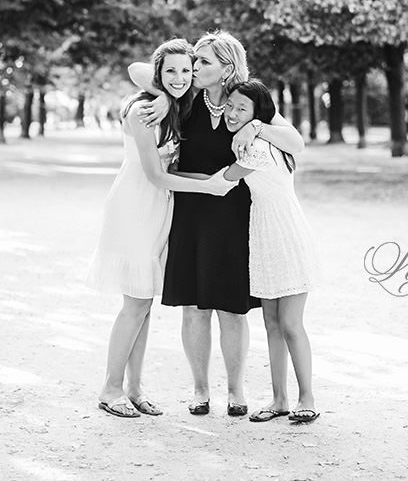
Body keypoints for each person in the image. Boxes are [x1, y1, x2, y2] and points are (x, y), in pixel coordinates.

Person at [130, 31, 304, 417]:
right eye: (194, 61)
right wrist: (160, 94)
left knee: (231, 308)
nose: (193, 68)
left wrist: (256, 127)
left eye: (203, 61)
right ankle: (199, 391)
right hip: (190, 210)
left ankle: (236, 391)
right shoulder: (185, 95)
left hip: (233, 213)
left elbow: (295, 142)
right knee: (193, 307)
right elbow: (139, 69)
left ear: (227, 67)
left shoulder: (246, 100)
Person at [87, 38, 235, 419]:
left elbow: (171, 171)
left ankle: (134, 388)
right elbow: (155, 175)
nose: (180, 77)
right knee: (134, 304)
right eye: (170, 71)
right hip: (136, 207)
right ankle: (110, 388)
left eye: (187, 70)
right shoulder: (141, 110)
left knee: (145, 304)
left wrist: (169, 98)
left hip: (160, 210)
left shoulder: (176, 106)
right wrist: (207, 185)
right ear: (158, 74)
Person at [221, 79, 320, 424]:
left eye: (241, 109)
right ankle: (279, 400)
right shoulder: (263, 137)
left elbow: (224, 180)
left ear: (258, 114)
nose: (232, 113)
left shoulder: (258, 149)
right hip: (264, 237)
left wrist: (168, 172)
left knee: (291, 323)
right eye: (230, 105)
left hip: (285, 236)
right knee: (271, 324)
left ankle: (306, 397)